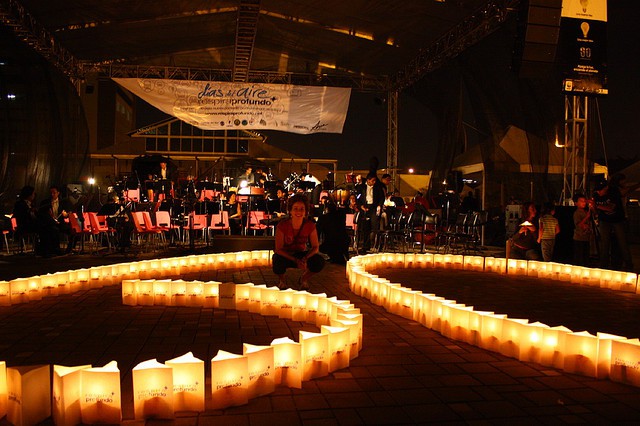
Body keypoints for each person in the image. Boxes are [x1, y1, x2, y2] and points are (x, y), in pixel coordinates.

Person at [272, 193, 325, 290]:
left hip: (301, 254)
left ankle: (304, 279)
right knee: (276, 259)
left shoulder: (310, 225)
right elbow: (278, 249)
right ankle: (282, 280)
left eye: (302, 209)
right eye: (295, 208)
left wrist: (305, 258)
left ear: (306, 212)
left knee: (319, 261)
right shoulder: (282, 225)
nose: (298, 212)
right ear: (290, 211)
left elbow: (315, 247)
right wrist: (295, 260)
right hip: (286, 255)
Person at [593, 173, 637, 271]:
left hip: (617, 219)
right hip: (604, 220)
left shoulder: (614, 192)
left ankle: (629, 264)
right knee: (604, 242)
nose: (599, 193)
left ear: (606, 188)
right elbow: (596, 209)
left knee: (622, 242)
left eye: (601, 190)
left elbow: (611, 208)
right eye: (598, 191)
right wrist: (595, 210)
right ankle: (603, 264)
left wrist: (597, 206)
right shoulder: (596, 194)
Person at [356, 173, 385, 252]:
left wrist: (379, 205)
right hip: (365, 207)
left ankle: (377, 245)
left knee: (375, 227)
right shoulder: (362, 187)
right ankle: (365, 246)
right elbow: (358, 198)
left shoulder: (378, 188)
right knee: (365, 228)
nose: (374, 182)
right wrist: (361, 206)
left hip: (374, 208)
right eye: (372, 181)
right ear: (368, 180)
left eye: (375, 180)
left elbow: (382, 198)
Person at [316, 196, 349, 264]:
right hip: (344, 241)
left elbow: (317, 232)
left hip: (330, 243)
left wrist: (314, 245)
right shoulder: (341, 215)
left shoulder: (323, 218)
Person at [573, 194, 593, 266]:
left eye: (584, 201)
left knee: (585, 256)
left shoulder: (586, 211)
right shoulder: (577, 213)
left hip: (586, 238)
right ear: (576, 203)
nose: (584, 203)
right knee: (579, 256)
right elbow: (578, 225)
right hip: (579, 238)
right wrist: (586, 217)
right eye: (581, 201)